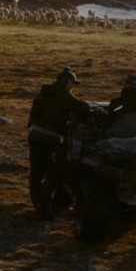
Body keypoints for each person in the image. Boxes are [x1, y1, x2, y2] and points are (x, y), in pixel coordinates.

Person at [27, 66, 83, 219]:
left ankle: (37, 204)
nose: (73, 87)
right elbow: (81, 107)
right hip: (48, 138)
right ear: (67, 82)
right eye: (73, 83)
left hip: (34, 135)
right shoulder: (62, 95)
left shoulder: (43, 94)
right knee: (53, 173)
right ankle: (44, 206)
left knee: (36, 172)